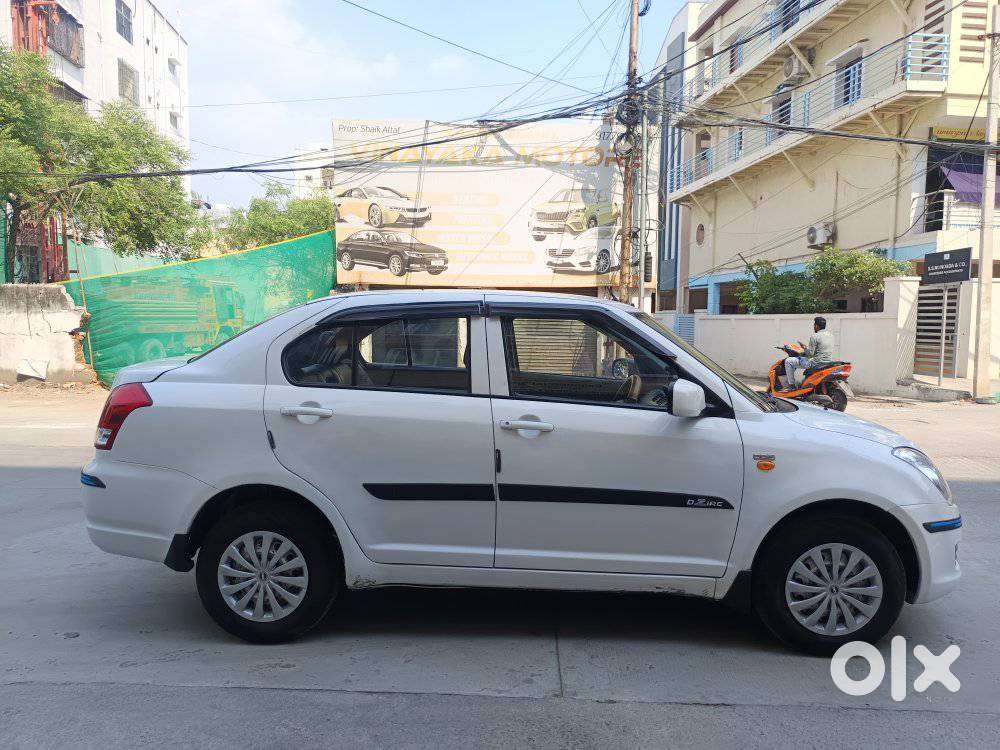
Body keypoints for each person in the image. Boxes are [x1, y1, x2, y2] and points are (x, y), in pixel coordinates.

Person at [784, 316, 835, 387]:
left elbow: (810, 354)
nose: (814, 327)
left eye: (814, 325)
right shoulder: (831, 335)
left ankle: (791, 385)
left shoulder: (815, 336)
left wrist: (804, 348)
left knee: (788, 361)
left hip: (816, 363)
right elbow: (820, 349)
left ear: (816, 326)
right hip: (828, 362)